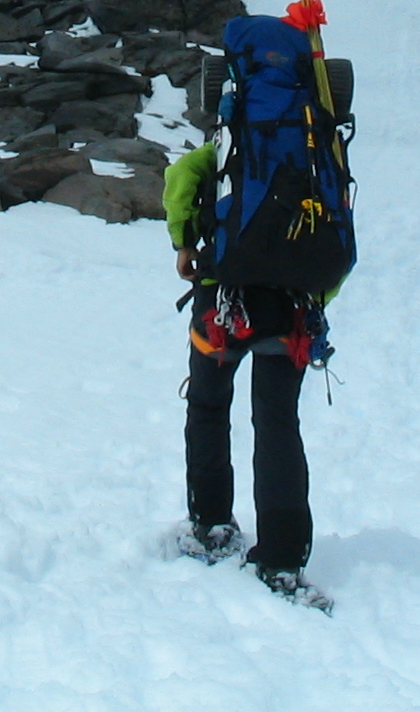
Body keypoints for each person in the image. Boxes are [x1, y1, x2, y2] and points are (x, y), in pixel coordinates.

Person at [164, 140, 338, 607]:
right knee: (277, 423)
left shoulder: (231, 137)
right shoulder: (318, 143)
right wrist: (317, 295)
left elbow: (180, 178)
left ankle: (210, 526)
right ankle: (281, 561)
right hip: (291, 307)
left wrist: (184, 244)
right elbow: (339, 230)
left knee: (207, 405)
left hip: (221, 299)